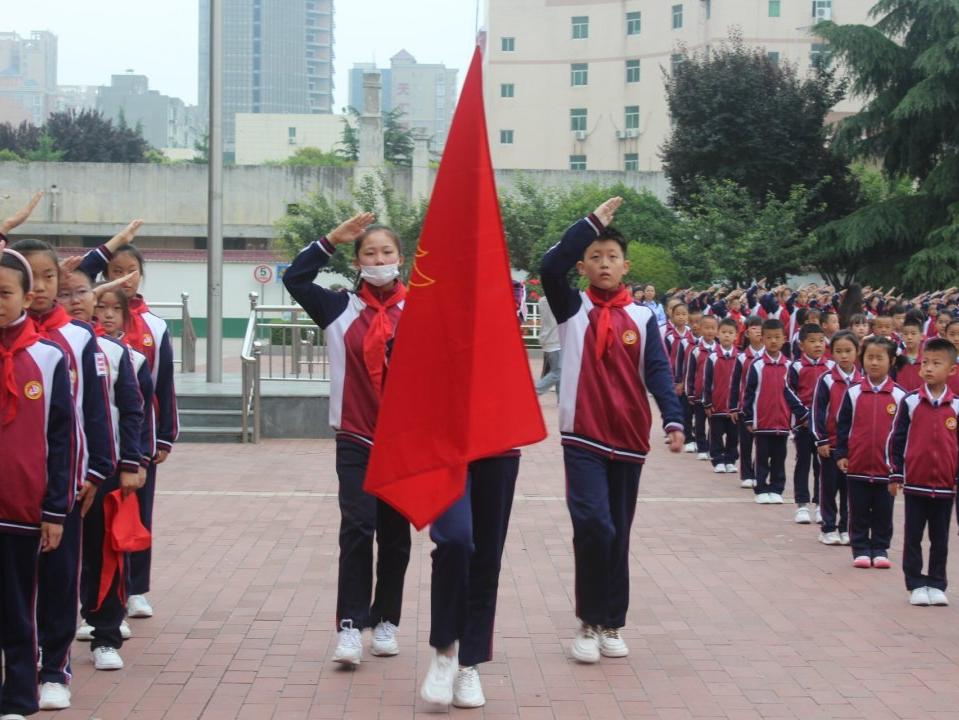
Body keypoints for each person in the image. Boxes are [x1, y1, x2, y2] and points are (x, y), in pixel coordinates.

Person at [540, 196, 684, 664]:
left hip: (628, 440)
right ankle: (587, 620)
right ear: (583, 267)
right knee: (594, 526)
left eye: (613, 257)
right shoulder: (571, 308)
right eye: (595, 257)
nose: (605, 264)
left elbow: (658, 371)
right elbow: (550, 264)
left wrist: (674, 417)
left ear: (627, 266)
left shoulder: (644, 318)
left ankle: (610, 624)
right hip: (582, 435)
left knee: (618, 532)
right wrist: (591, 224)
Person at [282, 213, 411, 666]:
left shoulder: (418, 309)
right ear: (357, 262)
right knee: (358, 530)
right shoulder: (338, 308)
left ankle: (387, 620)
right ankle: (351, 626)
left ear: (401, 259)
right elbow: (295, 277)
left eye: (387, 253)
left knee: (395, 537)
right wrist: (332, 238)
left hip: (403, 442)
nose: (379, 260)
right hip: (356, 437)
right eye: (370, 253)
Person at [11, 238, 114, 711]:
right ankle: (21, 664)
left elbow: (93, 411)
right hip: (13, 487)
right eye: (31, 277)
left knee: (58, 578)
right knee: (15, 584)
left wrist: (95, 470)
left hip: (64, 483)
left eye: (50, 277)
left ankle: (55, 668)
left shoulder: (75, 337)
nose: (41, 287)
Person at [79, 223, 178, 624]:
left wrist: (166, 436)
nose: (125, 275)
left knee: (138, 514)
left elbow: (164, 385)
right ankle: (95, 595)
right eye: (116, 268)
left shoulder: (155, 326)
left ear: (141, 273)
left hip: (141, 439)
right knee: (98, 522)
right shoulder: (89, 327)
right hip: (100, 440)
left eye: (132, 268)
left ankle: (136, 587)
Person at [59, 270, 152, 670]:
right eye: (65, 293)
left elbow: (132, 410)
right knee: (57, 560)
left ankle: (106, 635)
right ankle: (52, 641)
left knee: (105, 554)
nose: (74, 299)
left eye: (81, 292)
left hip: (104, 469)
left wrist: (131, 463)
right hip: (54, 472)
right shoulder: (42, 347)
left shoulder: (114, 353)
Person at [0, 244, 72, 720]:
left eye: (5, 292)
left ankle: (20, 696)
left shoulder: (48, 358)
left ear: (27, 298)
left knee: (17, 609)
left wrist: (54, 510)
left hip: (22, 509)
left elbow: (62, 438)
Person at [887, 338, 959, 606]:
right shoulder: (910, 402)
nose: (929, 368)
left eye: (936, 363)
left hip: (944, 485)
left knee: (940, 538)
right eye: (925, 363)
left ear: (951, 370)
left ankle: (937, 583)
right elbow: (896, 439)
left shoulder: (956, 406)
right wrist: (896, 473)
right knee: (913, 536)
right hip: (915, 483)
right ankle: (916, 583)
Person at [834, 337, 905, 569]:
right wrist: (842, 453)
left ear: (891, 361)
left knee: (884, 511)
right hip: (858, 464)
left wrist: (899, 466)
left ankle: (881, 548)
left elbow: (904, 434)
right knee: (859, 509)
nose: (874, 363)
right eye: (869, 358)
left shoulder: (900, 396)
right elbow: (843, 426)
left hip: (886, 468)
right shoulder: (854, 392)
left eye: (880, 358)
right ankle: (861, 548)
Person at [740, 319, 808, 505]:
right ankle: (761, 487)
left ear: (784, 339)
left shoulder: (789, 366)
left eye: (777, 337)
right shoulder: (757, 365)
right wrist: (748, 418)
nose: (773, 341)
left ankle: (777, 488)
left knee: (780, 457)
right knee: (762, 456)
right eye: (769, 337)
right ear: (762, 339)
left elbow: (794, 393)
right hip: (762, 420)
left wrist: (795, 418)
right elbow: (749, 393)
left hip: (783, 421)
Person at [811, 331, 862, 546]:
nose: (844, 356)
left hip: (854, 447)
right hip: (830, 445)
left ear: (857, 352)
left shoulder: (863, 380)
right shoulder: (827, 379)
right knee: (829, 487)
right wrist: (821, 439)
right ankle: (828, 527)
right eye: (839, 351)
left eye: (848, 351)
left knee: (850, 489)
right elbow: (817, 410)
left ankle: (846, 527)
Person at [787, 323, 833, 524]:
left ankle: (821, 504)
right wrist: (805, 416)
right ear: (801, 344)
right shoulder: (796, 366)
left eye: (821, 341)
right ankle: (802, 504)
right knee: (803, 462)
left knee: (822, 466)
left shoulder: (831, 367)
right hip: (804, 425)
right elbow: (789, 391)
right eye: (812, 341)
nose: (817, 345)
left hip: (824, 427)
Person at [703, 317, 740, 474]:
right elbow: (707, 380)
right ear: (718, 334)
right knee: (716, 434)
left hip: (734, 407)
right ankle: (717, 459)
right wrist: (707, 402)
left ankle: (730, 459)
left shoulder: (741, 357)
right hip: (717, 404)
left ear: (736, 336)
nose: (727, 335)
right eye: (724, 332)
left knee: (733, 435)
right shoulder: (712, 357)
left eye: (730, 333)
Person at [735, 316, 764, 489]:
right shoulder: (741, 358)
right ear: (746, 333)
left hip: (763, 407)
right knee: (745, 442)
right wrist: (734, 406)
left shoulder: (771, 358)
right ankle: (746, 473)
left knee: (761, 444)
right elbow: (735, 383)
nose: (758, 331)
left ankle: (758, 472)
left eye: (761, 328)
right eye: (754, 328)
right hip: (745, 406)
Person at [684, 314, 718, 461]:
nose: (710, 331)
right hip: (699, 395)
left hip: (715, 396)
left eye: (713, 328)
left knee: (714, 425)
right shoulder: (696, 350)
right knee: (699, 423)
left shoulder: (720, 351)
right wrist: (690, 393)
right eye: (706, 328)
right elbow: (690, 373)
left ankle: (712, 447)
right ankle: (702, 447)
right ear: (701, 329)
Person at [535, 294, 561, 396]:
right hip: (556, 341)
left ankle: (562, 399)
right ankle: (533, 392)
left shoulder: (542, 301)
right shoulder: (558, 299)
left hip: (549, 340)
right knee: (558, 372)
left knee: (560, 373)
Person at [893, 315, 924, 392]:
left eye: (913, 333)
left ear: (921, 336)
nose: (909, 337)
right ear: (902, 336)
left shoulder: (927, 359)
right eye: (906, 334)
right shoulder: (897, 358)